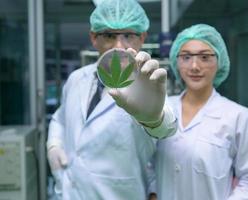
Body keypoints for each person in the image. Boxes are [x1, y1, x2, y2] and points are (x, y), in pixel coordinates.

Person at [46, 0, 177, 199]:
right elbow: (60, 118)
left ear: (142, 38)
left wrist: (154, 118)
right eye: (108, 35)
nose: (119, 45)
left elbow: (166, 126)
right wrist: (54, 144)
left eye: (128, 35)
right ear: (93, 38)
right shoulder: (76, 78)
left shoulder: (147, 84)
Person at [155, 24, 248, 200]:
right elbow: (146, 162)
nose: (194, 66)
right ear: (176, 62)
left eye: (205, 57)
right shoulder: (160, 109)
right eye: (186, 57)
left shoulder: (238, 116)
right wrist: (152, 191)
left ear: (219, 62)